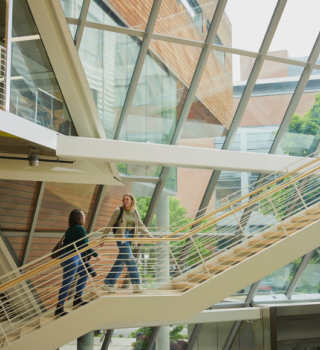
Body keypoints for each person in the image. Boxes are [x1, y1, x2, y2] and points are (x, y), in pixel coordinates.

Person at [100, 193, 153, 293]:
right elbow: (109, 224)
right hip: (122, 237)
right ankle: (136, 285)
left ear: (132, 200)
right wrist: (103, 238)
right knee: (130, 259)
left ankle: (108, 284)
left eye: (127, 199)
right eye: (124, 199)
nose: (125, 201)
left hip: (130, 238)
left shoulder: (135, 212)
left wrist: (149, 235)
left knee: (120, 262)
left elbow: (140, 225)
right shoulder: (118, 210)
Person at [55, 209, 102, 316]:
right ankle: (59, 308)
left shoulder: (71, 228)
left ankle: (77, 298)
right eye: (83, 215)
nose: (84, 217)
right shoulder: (79, 228)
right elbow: (85, 245)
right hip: (71, 257)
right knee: (67, 282)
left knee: (84, 273)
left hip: (73, 256)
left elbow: (79, 244)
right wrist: (96, 255)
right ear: (78, 217)